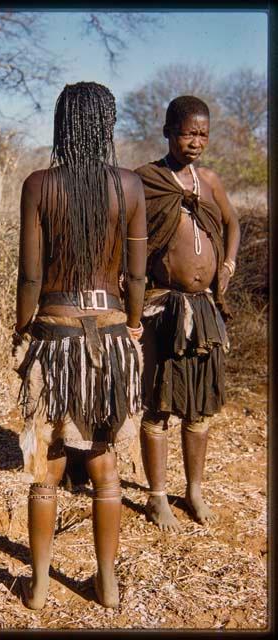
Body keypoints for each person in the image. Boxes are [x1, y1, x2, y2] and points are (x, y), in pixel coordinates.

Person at [13, 81, 147, 609]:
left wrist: (23, 326)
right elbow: (135, 278)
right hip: (110, 337)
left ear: (62, 123)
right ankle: (107, 583)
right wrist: (133, 325)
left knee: (47, 461)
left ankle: (41, 585)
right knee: (103, 462)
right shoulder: (130, 186)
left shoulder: (40, 184)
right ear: (107, 125)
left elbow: (30, 276)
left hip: (56, 332)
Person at [134, 95, 240, 533]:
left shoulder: (211, 181)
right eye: (186, 133)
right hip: (163, 307)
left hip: (205, 310)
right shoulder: (146, 180)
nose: (195, 142)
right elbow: (125, 237)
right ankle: (158, 497)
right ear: (167, 132)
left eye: (202, 134)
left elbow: (232, 223)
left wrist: (228, 264)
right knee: (158, 405)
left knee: (200, 408)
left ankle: (193, 489)